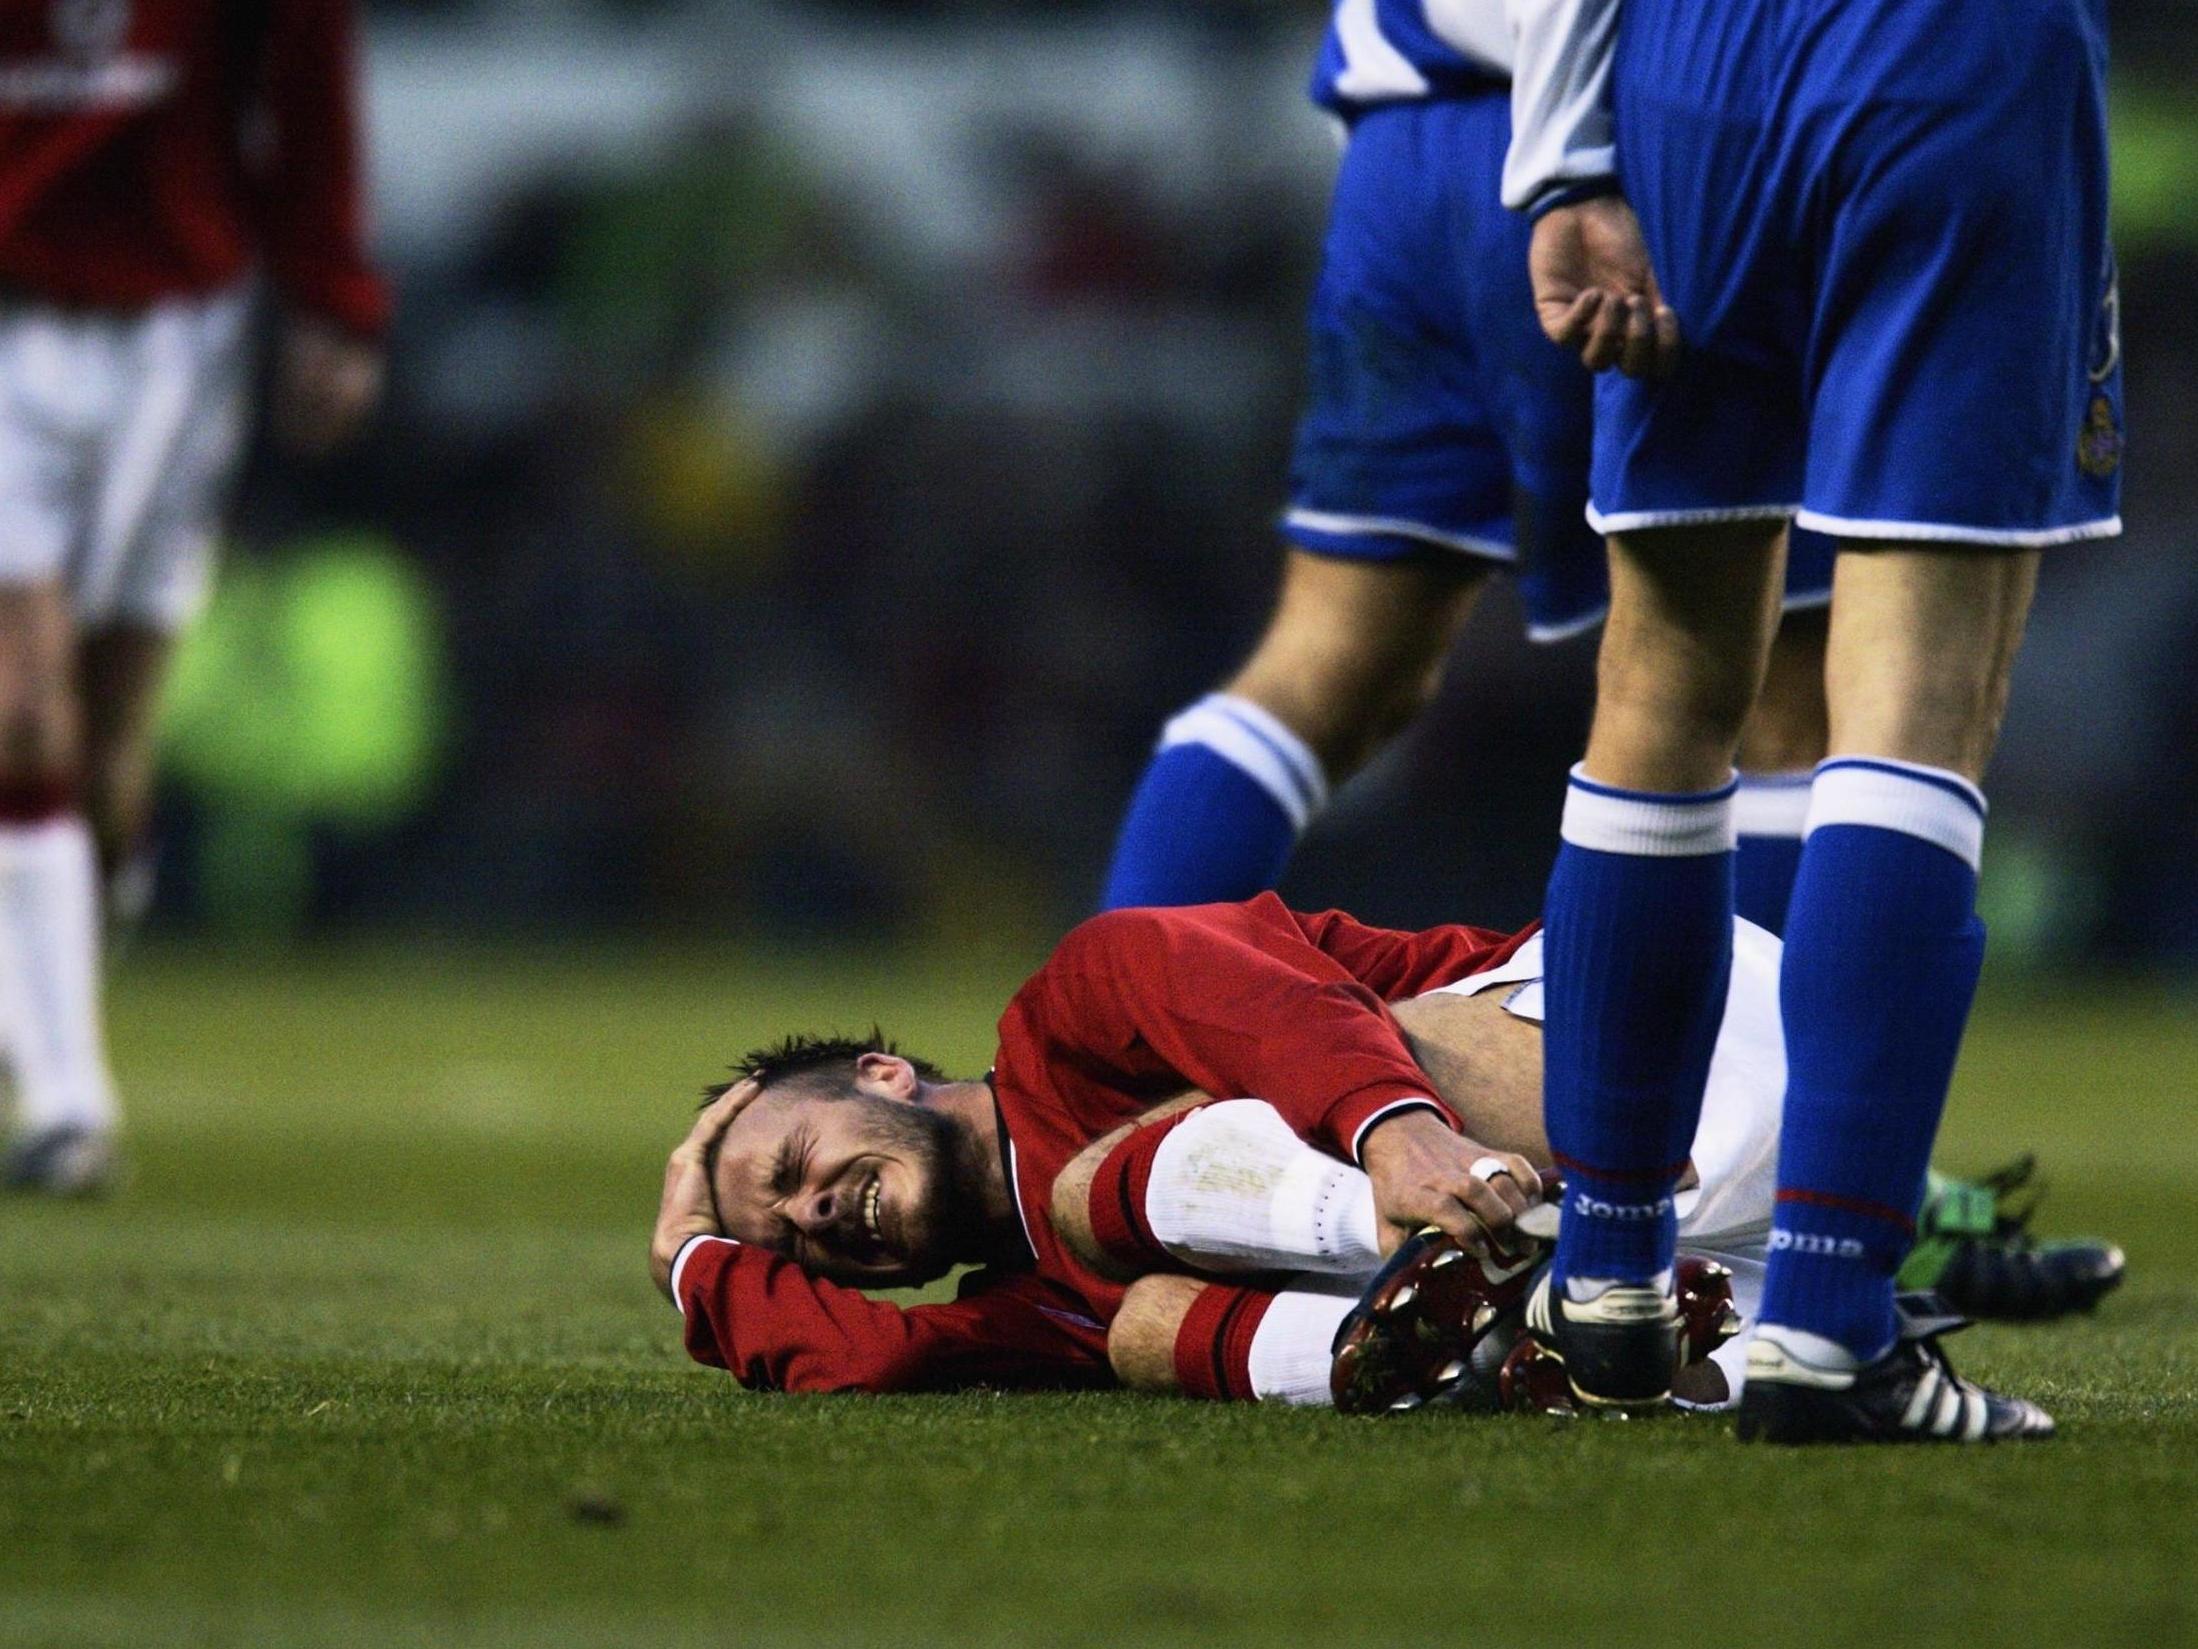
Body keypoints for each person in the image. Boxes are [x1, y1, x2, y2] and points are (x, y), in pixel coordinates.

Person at [1503, 0, 2117, 1440]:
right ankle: (1830, 1319)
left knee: (1659, 681)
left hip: (1689, 83)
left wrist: (1563, 165)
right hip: (1948, 66)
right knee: (1915, 695)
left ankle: (1604, 1272)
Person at [648, 896, 2119, 1405]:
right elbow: (882, 1361)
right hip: (1702, 1215)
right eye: (782, 1238)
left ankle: (1497, 1266)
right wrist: (694, 1265)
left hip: (1652, 1038)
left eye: (786, 1164)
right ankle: (1711, 1301)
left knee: (1113, 1192)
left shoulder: (1066, 1016)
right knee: (1139, 1323)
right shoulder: (1027, 1299)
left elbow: (1245, 991)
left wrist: (1393, 1136)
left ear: (885, 1074)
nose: (809, 1219)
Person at [1099, 0, 1829, 935]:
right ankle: (1754, 1078)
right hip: (1635, 153)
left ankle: (1105, 1064)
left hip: (1406, 153)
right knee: (1774, 691)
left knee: (1331, 662)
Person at [0, 0, 389, 1192]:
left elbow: (306, 75)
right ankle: (70, 1106)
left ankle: (39, 990)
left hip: (182, 334)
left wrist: (333, 299)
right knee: (22, 717)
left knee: (110, 771)